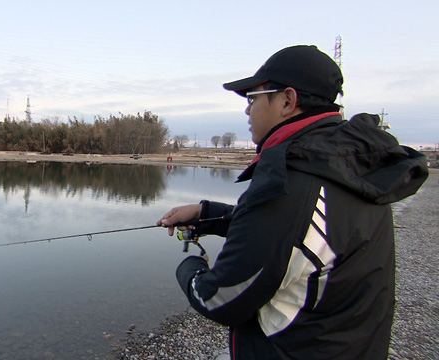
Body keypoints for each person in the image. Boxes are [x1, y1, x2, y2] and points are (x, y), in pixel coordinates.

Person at [157, 45, 428, 360]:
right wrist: (208, 214)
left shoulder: (292, 181)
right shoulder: (346, 166)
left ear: (287, 101)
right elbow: (298, 237)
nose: (247, 110)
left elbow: (218, 299)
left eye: (253, 98)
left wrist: (191, 267)